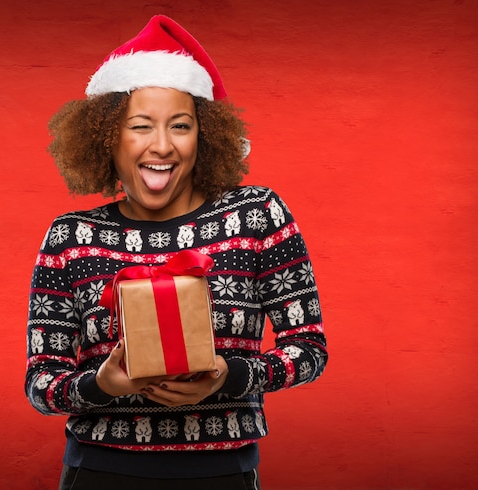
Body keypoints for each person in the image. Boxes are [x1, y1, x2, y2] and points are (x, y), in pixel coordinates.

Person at [25, 15, 328, 490]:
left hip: (223, 474)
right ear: (107, 138)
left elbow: (309, 349)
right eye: (140, 126)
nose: (161, 145)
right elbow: (42, 385)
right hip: (99, 473)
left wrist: (230, 376)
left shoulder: (256, 216)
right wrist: (102, 384)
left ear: (205, 135)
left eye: (181, 126)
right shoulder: (71, 237)